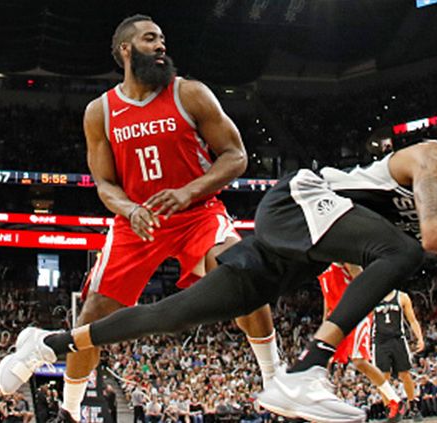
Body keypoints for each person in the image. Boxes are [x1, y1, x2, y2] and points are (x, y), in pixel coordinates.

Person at [0, 101, 437, 423]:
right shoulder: (435, 160)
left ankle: (46, 344)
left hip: (305, 242)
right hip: (296, 206)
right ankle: (306, 371)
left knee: (176, 313)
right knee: (404, 247)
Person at [37, 14, 279, 423]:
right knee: (92, 316)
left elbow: (236, 156)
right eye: (151, 39)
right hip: (137, 224)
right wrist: (130, 209)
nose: (162, 46)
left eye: (163, 39)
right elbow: (105, 185)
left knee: (243, 273)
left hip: (196, 214)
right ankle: (69, 412)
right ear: (126, 51)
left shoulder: (191, 94)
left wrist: (188, 191)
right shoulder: (101, 112)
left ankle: (277, 382)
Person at [317, 263, 406, 422]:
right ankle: (320, 409)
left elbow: (366, 282)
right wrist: (325, 320)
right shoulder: (321, 263)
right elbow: (327, 295)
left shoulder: (343, 255)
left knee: (359, 361)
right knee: (323, 358)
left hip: (357, 313)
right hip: (338, 317)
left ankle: (395, 401)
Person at [372, 290, 424, 420]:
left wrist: (420, 338)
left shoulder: (402, 296)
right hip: (380, 340)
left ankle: (413, 406)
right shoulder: (372, 297)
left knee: (404, 374)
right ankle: (390, 408)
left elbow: (412, 320)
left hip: (397, 339)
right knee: (383, 376)